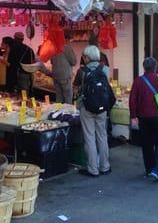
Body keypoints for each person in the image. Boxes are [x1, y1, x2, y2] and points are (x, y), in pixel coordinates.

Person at [129, 57, 158, 182]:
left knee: (146, 144)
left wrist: (133, 116)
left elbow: (132, 99)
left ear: (144, 67)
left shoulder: (138, 81)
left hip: (143, 117)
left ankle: (149, 169)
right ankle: (157, 170)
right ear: (155, 67)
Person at [72, 45, 111, 177]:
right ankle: (105, 166)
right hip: (102, 107)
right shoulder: (105, 69)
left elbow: (75, 87)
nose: (83, 58)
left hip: (86, 107)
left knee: (89, 137)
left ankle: (93, 169)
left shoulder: (82, 71)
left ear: (87, 57)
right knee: (102, 136)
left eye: (84, 56)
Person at [39, 32, 77, 104]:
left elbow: (52, 61)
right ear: (66, 38)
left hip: (55, 75)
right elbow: (74, 62)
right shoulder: (67, 47)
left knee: (59, 98)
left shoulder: (54, 46)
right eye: (69, 39)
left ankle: (58, 113)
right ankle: (66, 113)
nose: (69, 41)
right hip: (65, 76)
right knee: (68, 98)